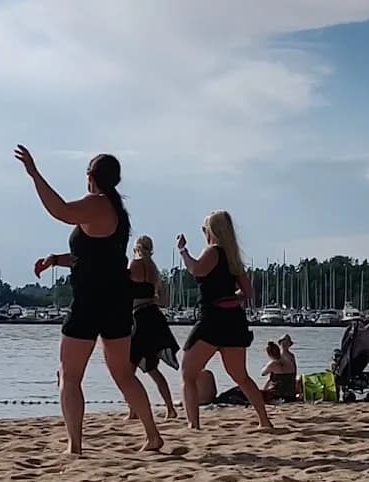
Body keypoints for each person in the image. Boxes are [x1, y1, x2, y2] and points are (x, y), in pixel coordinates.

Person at [15, 146, 163, 456]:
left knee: (69, 375)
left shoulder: (97, 203)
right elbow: (94, 258)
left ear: (90, 177)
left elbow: (60, 210)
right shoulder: (115, 210)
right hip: (116, 301)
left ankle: (75, 445)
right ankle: (152, 435)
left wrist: (34, 174)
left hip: (91, 302)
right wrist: (57, 259)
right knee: (123, 374)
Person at [177, 211, 273, 431]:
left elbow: (196, 270)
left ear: (211, 230)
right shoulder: (233, 257)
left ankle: (193, 424)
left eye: (204, 229)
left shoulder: (213, 251)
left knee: (188, 373)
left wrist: (183, 251)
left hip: (212, 321)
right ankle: (264, 420)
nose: (204, 233)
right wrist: (231, 298)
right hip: (233, 321)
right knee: (241, 376)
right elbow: (248, 293)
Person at [129, 235, 178, 419]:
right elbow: (163, 300)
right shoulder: (153, 269)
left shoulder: (135, 265)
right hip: (153, 317)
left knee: (129, 369)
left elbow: (124, 289)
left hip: (140, 318)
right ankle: (170, 408)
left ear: (137, 248)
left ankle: (134, 410)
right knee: (152, 368)